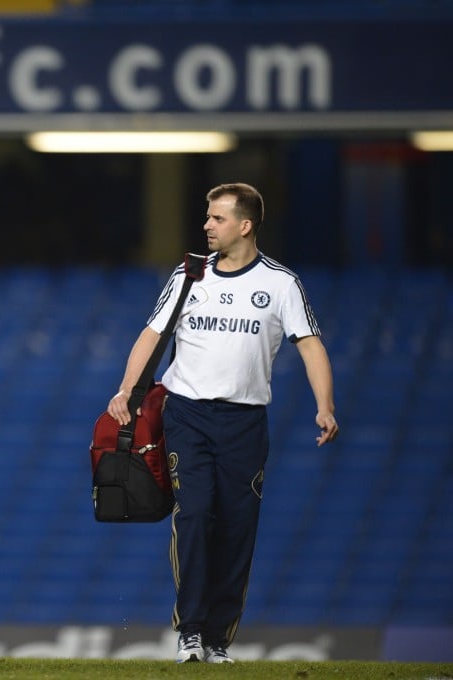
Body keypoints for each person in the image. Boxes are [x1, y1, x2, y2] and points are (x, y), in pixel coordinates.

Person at [107, 182, 339, 664]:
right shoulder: (190, 274)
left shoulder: (280, 283)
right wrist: (126, 390)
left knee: (237, 528)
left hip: (245, 420)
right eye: (207, 217)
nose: (207, 225)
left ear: (245, 225)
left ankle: (217, 640)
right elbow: (152, 333)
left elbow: (310, 343)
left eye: (217, 218)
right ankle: (189, 631)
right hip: (187, 413)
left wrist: (325, 406)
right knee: (193, 515)